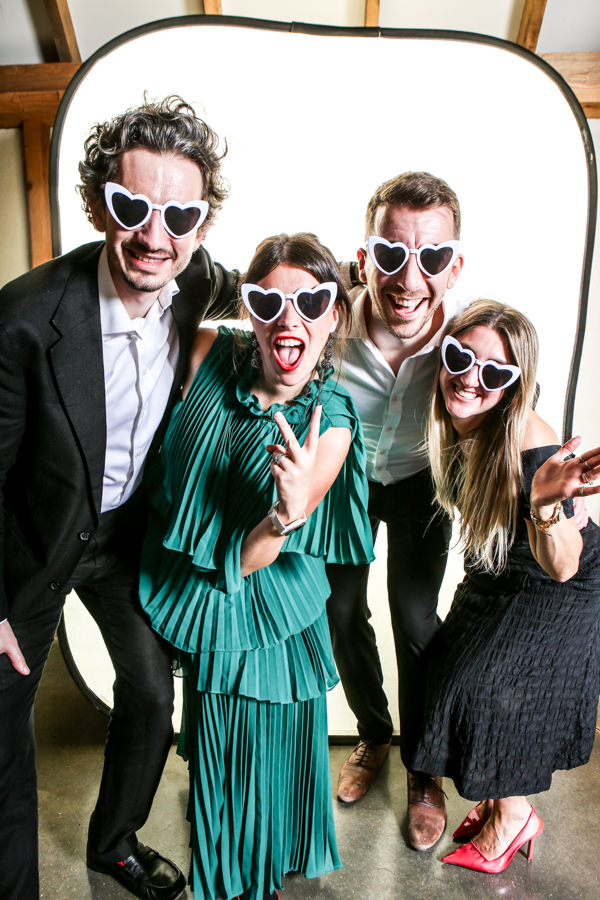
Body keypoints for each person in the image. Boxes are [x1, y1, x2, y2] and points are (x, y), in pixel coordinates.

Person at [0, 95, 239, 900]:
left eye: (180, 215)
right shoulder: (24, 319)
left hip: (123, 540)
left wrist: (371, 300)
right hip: (27, 546)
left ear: (202, 225)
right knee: (3, 729)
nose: (154, 235)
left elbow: (289, 292)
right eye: (134, 207)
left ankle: (115, 842)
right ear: (102, 204)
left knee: (150, 691)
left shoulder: (199, 277)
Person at [138, 233, 374, 900]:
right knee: (223, 741)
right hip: (208, 589)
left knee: (281, 737)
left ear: (334, 315)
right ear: (247, 307)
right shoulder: (210, 351)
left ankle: (264, 864)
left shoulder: (333, 418)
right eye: (268, 300)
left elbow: (258, 550)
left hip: (270, 596)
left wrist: (286, 512)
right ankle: (234, 856)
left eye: (312, 300)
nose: (288, 317)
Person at [409, 299, 600, 872]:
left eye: (495, 373)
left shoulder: (533, 449)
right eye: (460, 356)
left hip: (560, 586)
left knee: (484, 686)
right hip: (502, 572)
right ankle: (496, 802)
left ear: (517, 386)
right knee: (446, 667)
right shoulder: (458, 418)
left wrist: (544, 503)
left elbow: (563, 563)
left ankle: (516, 817)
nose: (470, 377)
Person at [328, 171, 468, 850]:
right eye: (391, 254)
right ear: (365, 258)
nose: (410, 278)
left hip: (419, 482)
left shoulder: (466, 341)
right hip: (345, 480)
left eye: (432, 257)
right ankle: (374, 733)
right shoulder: (325, 321)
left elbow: (511, 406)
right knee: (340, 608)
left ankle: (424, 766)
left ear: (455, 265)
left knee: (416, 620)